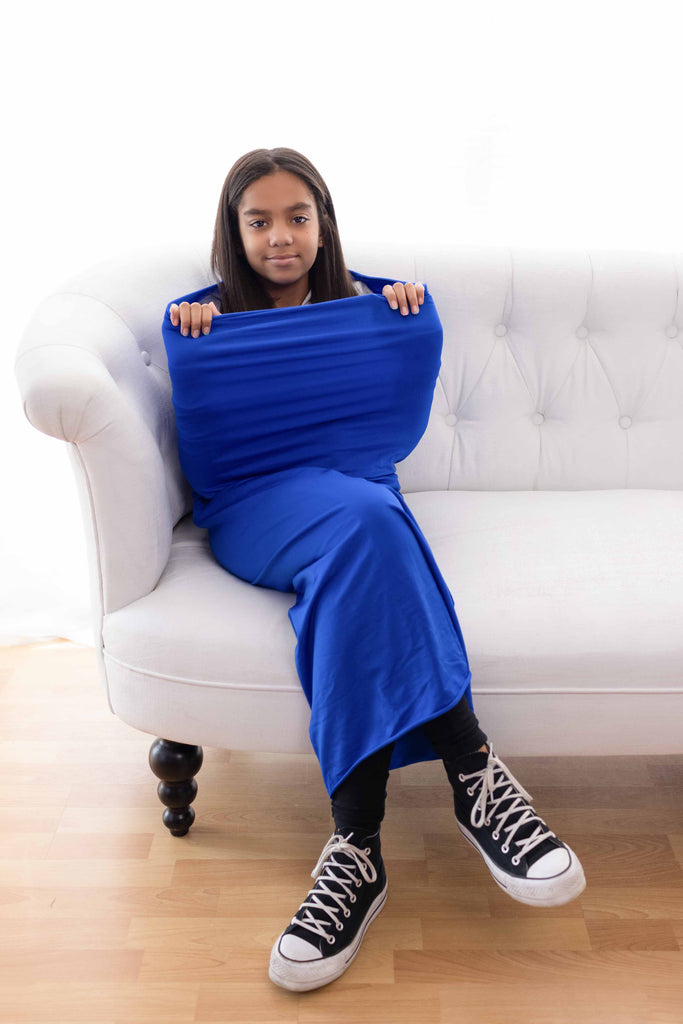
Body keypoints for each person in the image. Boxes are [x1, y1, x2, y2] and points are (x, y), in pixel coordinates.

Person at [169, 147, 586, 993]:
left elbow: (392, 420)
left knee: (367, 538)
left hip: (357, 495)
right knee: (373, 522)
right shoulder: (208, 318)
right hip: (254, 508)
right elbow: (210, 444)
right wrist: (191, 331)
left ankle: (355, 848)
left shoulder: (367, 303)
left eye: (297, 217)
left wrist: (393, 312)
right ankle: (474, 771)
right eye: (258, 221)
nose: (279, 237)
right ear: (233, 232)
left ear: (323, 226)